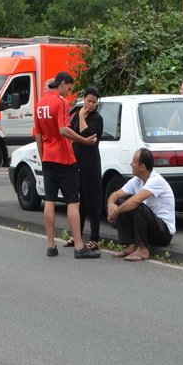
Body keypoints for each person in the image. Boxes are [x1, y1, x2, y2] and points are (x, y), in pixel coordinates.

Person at [34, 72, 100, 258]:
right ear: (62, 84)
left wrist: (43, 157)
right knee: (73, 201)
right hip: (64, 157)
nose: (68, 93)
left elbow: (38, 136)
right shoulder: (61, 102)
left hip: (47, 157)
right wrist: (84, 141)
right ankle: (79, 246)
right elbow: (64, 130)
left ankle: (51, 244)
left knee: (49, 201)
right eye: (69, 89)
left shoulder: (39, 105)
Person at [107, 147, 177, 261]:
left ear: (142, 167)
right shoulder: (137, 180)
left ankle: (143, 249)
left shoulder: (156, 180)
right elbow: (115, 195)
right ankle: (132, 245)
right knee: (121, 202)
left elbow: (136, 201)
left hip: (163, 233)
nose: (131, 164)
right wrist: (111, 205)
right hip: (150, 230)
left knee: (136, 205)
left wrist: (117, 211)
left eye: (134, 161)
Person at [69, 86, 103, 249]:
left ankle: (94, 238)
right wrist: (79, 116)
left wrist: (83, 117)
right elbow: (69, 132)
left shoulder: (97, 118)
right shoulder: (74, 115)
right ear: (83, 99)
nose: (90, 105)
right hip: (76, 163)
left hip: (91, 164)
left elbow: (87, 135)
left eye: (93, 102)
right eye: (88, 101)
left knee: (92, 201)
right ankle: (77, 236)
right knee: (77, 201)